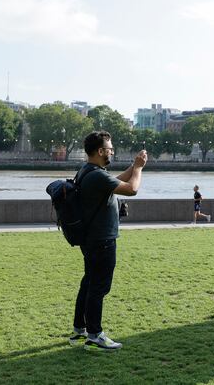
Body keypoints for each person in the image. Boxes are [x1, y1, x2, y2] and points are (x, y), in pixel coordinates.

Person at [69, 131, 148, 351]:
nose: (112, 152)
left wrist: (136, 165)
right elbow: (132, 189)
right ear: (100, 151)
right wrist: (139, 169)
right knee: (98, 288)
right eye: (110, 149)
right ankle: (95, 335)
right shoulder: (96, 175)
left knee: (89, 283)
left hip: (91, 239)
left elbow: (118, 181)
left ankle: (80, 330)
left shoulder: (88, 171)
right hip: (102, 240)